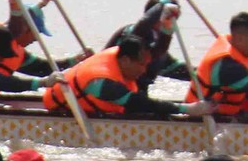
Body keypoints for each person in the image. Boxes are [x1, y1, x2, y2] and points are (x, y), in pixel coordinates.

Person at [46, 36, 178, 117]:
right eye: (141, 65)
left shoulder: (119, 59)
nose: (144, 71)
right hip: (58, 111)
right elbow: (138, 103)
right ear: (125, 60)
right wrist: (183, 109)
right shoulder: (102, 82)